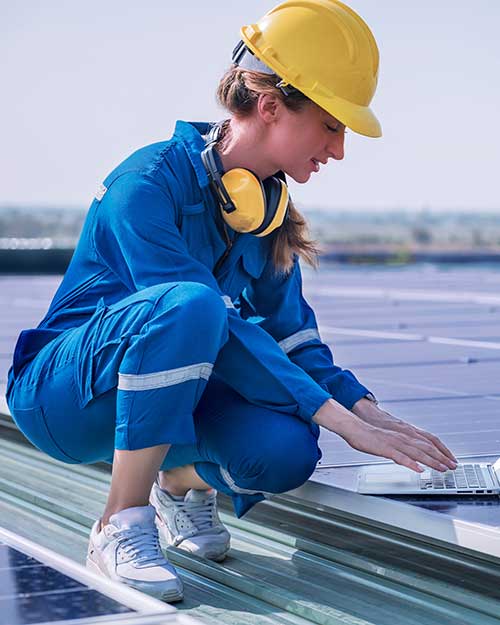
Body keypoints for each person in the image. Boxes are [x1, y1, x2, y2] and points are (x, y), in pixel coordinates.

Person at [5, 0, 457, 603]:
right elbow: (204, 316)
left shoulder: (267, 213)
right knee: (194, 305)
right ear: (271, 105)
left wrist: (363, 407)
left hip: (168, 399)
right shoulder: (144, 185)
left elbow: (292, 336)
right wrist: (337, 415)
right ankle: (120, 520)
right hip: (66, 398)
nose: (340, 150)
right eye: (331, 124)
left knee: (286, 451)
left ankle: (179, 484)